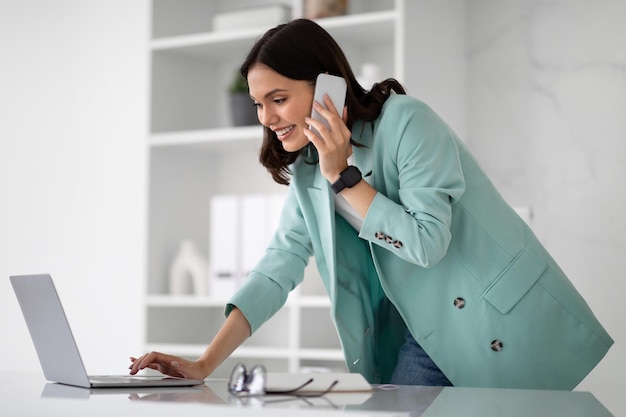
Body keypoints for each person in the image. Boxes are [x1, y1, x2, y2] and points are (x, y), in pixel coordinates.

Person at [130, 19, 613, 389]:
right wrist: (204, 363)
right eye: (258, 104)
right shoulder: (306, 170)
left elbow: (427, 242)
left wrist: (343, 177)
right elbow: (278, 268)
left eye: (278, 98)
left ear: (325, 87)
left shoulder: (406, 123)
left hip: (497, 319)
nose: (267, 117)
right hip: (421, 336)